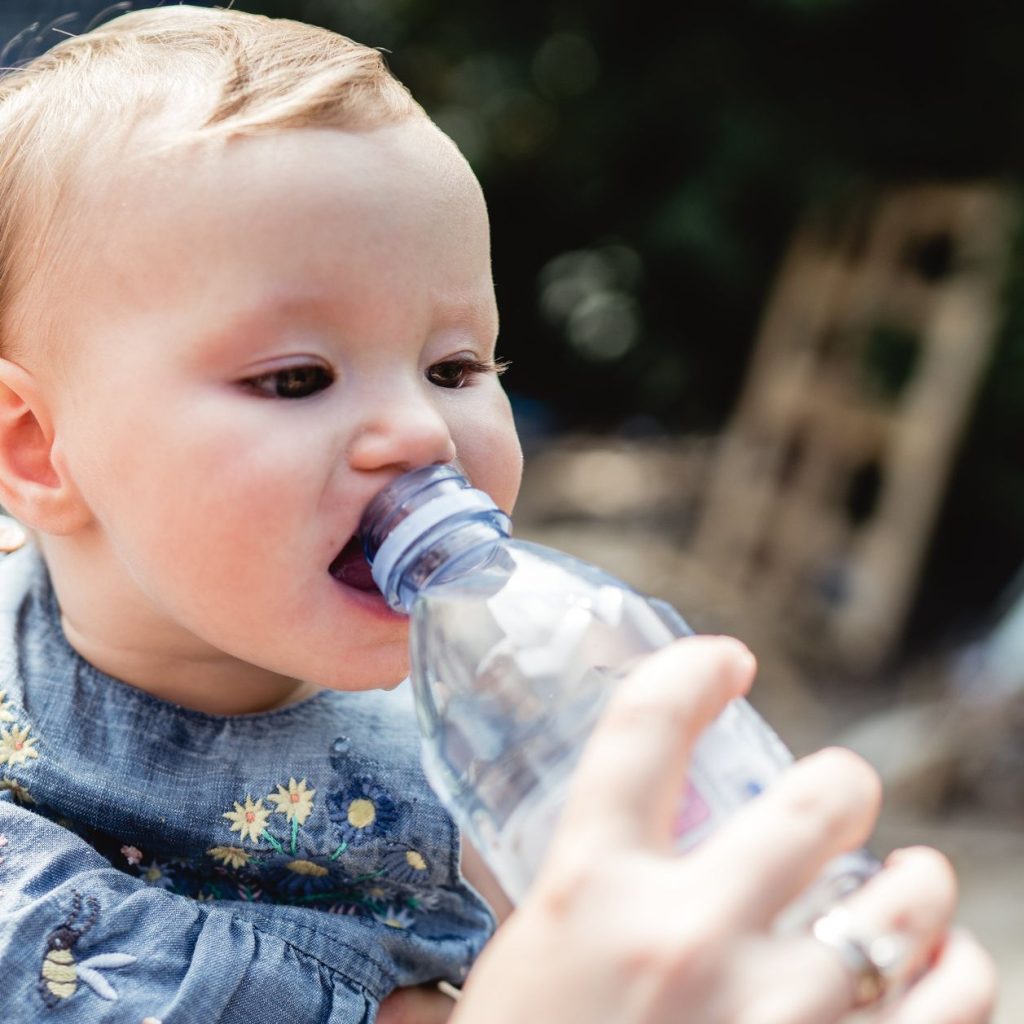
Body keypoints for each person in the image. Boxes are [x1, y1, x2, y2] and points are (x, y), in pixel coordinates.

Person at [0, 6, 995, 1022]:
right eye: (297, 376)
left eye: (455, 365)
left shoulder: (487, 701)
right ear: (34, 448)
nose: (423, 430)